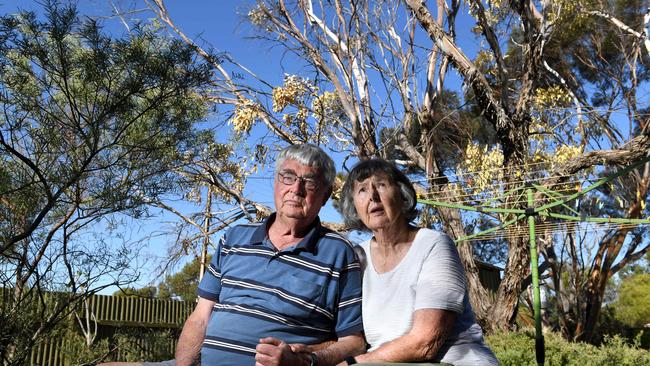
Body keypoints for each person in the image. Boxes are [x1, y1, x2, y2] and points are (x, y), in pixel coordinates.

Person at [175, 144, 365, 366]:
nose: (296, 189)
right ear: (275, 183)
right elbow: (200, 319)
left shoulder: (339, 253)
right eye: (288, 177)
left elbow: (354, 342)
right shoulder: (234, 239)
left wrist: (304, 361)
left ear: (326, 195)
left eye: (310, 182)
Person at [337, 158, 499, 366]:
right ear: (354, 206)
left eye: (381, 185)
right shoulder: (357, 257)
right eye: (362, 190)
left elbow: (425, 343)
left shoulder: (433, 244)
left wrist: (354, 363)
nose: (373, 197)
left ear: (402, 196)